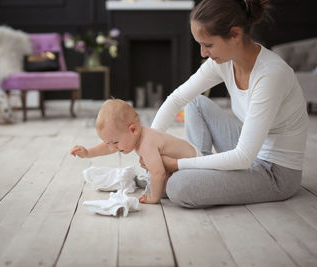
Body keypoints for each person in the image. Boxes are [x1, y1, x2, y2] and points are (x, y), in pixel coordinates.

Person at [146, 0, 309, 208]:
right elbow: (177, 99)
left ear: (235, 34)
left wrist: (176, 164)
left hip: (274, 172)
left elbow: (243, 157)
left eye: (208, 45)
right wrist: (149, 147)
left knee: (179, 187)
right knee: (196, 103)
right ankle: (194, 171)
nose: (203, 53)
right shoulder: (223, 62)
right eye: (200, 45)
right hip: (249, 149)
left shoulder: (270, 74)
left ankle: (186, 174)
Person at [70, 99, 201, 204]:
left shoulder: (146, 143)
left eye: (115, 142)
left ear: (133, 130)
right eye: (110, 142)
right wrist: (88, 152)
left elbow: (158, 172)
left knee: (162, 184)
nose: (114, 147)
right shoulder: (135, 137)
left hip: (194, 164)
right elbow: (108, 146)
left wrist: (154, 197)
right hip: (180, 164)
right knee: (158, 182)